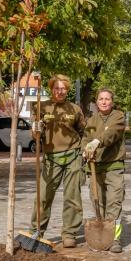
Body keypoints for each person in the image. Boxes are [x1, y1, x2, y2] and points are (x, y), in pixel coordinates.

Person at [31, 74, 86, 248]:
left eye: (63, 88)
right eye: (57, 88)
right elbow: (35, 132)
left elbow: (83, 131)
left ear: (67, 90)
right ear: (51, 89)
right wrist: (36, 129)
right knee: (43, 196)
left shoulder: (75, 109)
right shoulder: (42, 107)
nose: (60, 91)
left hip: (72, 156)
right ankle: (36, 230)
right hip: (51, 158)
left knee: (72, 197)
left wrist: (84, 148)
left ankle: (69, 233)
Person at [81, 88, 126, 253]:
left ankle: (114, 239)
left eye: (107, 99)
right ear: (97, 101)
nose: (104, 102)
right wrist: (85, 150)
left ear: (112, 102)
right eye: (101, 99)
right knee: (97, 201)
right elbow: (85, 139)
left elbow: (112, 133)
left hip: (113, 166)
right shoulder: (91, 120)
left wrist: (97, 142)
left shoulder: (118, 116)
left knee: (114, 202)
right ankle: (101, 237)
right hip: (95, 167)